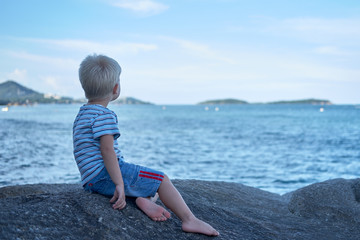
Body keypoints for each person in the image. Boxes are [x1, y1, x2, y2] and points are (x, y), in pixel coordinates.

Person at [73, 54, 219, 236]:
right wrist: (118, 183)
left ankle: (144, 199)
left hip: (90, 181)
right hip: (105, 174)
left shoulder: (82, 113)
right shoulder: (104, 115)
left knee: (143, 182)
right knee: (161, 180)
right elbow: (107, 150)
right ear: (116, 88)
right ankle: (189, 220)